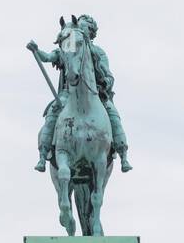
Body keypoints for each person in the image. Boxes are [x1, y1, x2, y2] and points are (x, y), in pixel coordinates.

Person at [28, 14, 132, 173]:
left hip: (97, 94)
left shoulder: (98, 52)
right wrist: (36, 50)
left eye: (83, 26)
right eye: (78, 26)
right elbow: (48, 57)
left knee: (112, 113)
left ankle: (122, 152)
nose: (79, 28)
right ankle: (43, 154)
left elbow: (109, 75)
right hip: (68, 93)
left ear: (91, 32)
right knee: (52, 112)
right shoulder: (69, 46)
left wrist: (106, 82)